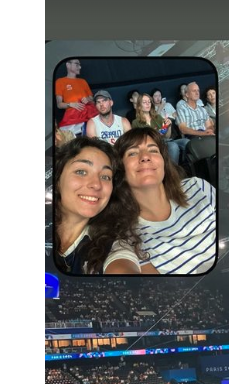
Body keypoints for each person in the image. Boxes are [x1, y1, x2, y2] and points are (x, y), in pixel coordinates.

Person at [111, 127, 217, 274]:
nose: (145, 156)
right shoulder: (127, 238)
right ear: (120, 170)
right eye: (133, 153)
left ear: (164, 161)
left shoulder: (198, 187)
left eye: (153, 150)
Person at [53, 137, 142, 274]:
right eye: (81, 172)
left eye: (105, 176)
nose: (96, 184)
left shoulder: (114, 247)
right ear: (57, 180)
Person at [132, 93, 180, 164]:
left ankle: (178, 169)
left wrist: (168, 126)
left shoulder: (158, 117)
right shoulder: (135, 122)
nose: (148, 104)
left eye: (149, 102)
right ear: (139, 106)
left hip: (163, 141)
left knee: (182, 143)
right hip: (150, 146)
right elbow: (137, 142)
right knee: (173, 146)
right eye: (144, 102)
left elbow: (167, 136)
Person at [55, 58, 99, 135]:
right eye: (77, 64)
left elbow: (93, 100)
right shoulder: (60, 81)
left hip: (90, 112)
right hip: (73, 115)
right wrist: (71, 104)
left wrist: (88, 99)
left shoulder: (83, 81)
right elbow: (59, 104)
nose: (80, 67)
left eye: (80, 65)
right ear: (68, 65)